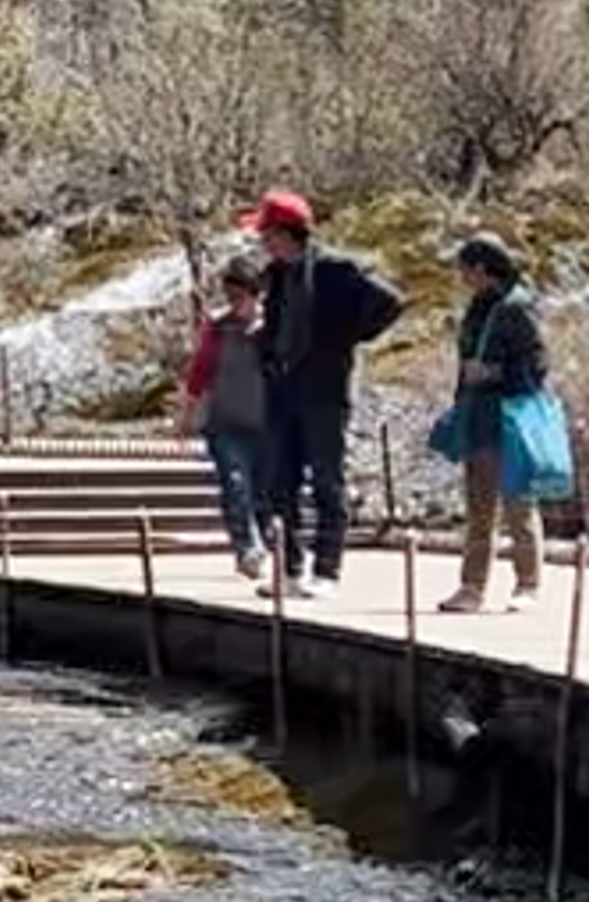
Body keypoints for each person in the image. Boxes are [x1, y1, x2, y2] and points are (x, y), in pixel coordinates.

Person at [251, 189, 402, 586]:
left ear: (288, 232)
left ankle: (327, 569)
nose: (264, 242)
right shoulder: (276, 276)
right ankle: (290, 567)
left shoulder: (336, 270)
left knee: (326, 480)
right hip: (283, 388)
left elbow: (389, 302)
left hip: (325, 390)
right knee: (280, 481)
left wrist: (345, 337)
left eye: (268, 233)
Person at [439, 231, 566, 606]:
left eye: (465, 268)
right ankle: (472, 587)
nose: (461, 277)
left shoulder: (518, 307)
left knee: (518, 505)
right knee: (479, 509)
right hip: (477, 417)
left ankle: (528, 584)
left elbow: (538, 363)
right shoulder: (477, 307)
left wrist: (496, 374)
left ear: (481, 268)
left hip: (510, 418)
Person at [181, 240, 274, 572]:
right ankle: (247, 548)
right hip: (224, 423)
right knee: (235, 484)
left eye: (242, 298)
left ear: (257, 294)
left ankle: (261, 541)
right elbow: (200, 372)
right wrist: (188, 414)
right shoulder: (218, 330)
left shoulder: (272, 329)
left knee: (263, 490)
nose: (236, 305)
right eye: (231, 298)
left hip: (265, 422)